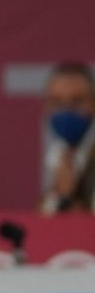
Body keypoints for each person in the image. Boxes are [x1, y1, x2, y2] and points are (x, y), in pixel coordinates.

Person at [39, 62, 95, 215]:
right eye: (57, 102)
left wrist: (69, 199)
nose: (66, 110)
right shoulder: (59, 154)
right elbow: (41, 219)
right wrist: (60, 194)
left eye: (77, 101)